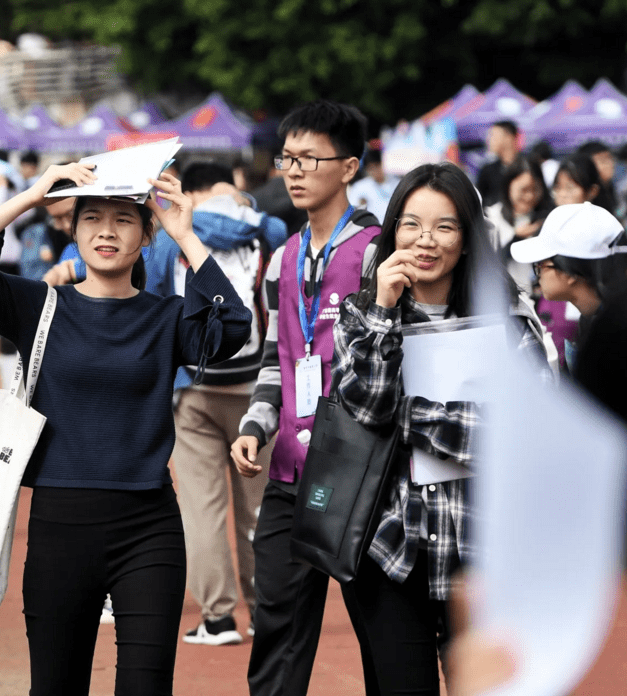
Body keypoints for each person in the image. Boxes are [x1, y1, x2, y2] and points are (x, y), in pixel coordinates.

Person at [0, 163, 252, 696]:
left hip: (149, 529)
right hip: (60, 528)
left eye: (125, 220)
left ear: (145, 234)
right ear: (73, 230)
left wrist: (186, 235)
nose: (107, 231)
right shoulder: (38, 306)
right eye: (93, 218)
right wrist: (33, 195)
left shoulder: (168, 317)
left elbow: (233, 327)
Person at [332, 162, 547, 696]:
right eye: (411, 224)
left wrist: (406, 413)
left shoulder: (512, 326)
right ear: (392, 231)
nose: (425, 241)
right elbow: (363, 406)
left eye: (445, 226)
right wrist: (383, 310)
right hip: (389, 552)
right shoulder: (360, 317)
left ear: (468, 238)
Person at [230, 100, 381, 696]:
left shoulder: (375, 252)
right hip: (291, 473)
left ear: (348, 167)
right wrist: (255, 426)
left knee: (383, 632)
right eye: (286, 158)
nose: (292, 171)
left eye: (308, 159)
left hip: (363, 478)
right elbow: (278, 360)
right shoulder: (283, 259)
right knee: (277, 629)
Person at [145, 162, 286, 646]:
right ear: (230, 183)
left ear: (190, 189)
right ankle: (269, 609)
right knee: (260, 508)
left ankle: (219, 618)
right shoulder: (264, 228)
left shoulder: (170, 235)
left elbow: (154, 299)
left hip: (194, 386)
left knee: (202, 509)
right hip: (258, 389)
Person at [510, 202, 627, 371]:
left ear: (570, 272)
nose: (537, 275)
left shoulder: (614, 339)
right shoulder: (591, 321)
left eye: (540, 264)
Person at [483, 155, 554, 291]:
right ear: (508, 185)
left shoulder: (545, 219)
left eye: (535, 190)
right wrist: (516, 239)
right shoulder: (491, 217)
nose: (530, 196)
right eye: (524, 189)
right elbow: (487, 265)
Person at [551, 152, 616, 212]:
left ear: (592, 191)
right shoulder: (550, 221)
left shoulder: (605, 222)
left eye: (570, 188)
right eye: (557, 187)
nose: (562, 194)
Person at [476, 121, 521, 208]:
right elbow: (479, 202)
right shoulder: (487, 170)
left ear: (509, 138)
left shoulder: (528, 167)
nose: (488, 140)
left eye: (493, 135)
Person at [348, 149, 398, 222]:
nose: (374, 171)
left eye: (376, 166)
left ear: (382, 163)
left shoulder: (396, 183)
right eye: (371, 168)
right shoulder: (360, 187)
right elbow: (352, 210)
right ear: (367, 170)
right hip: (372, 228)